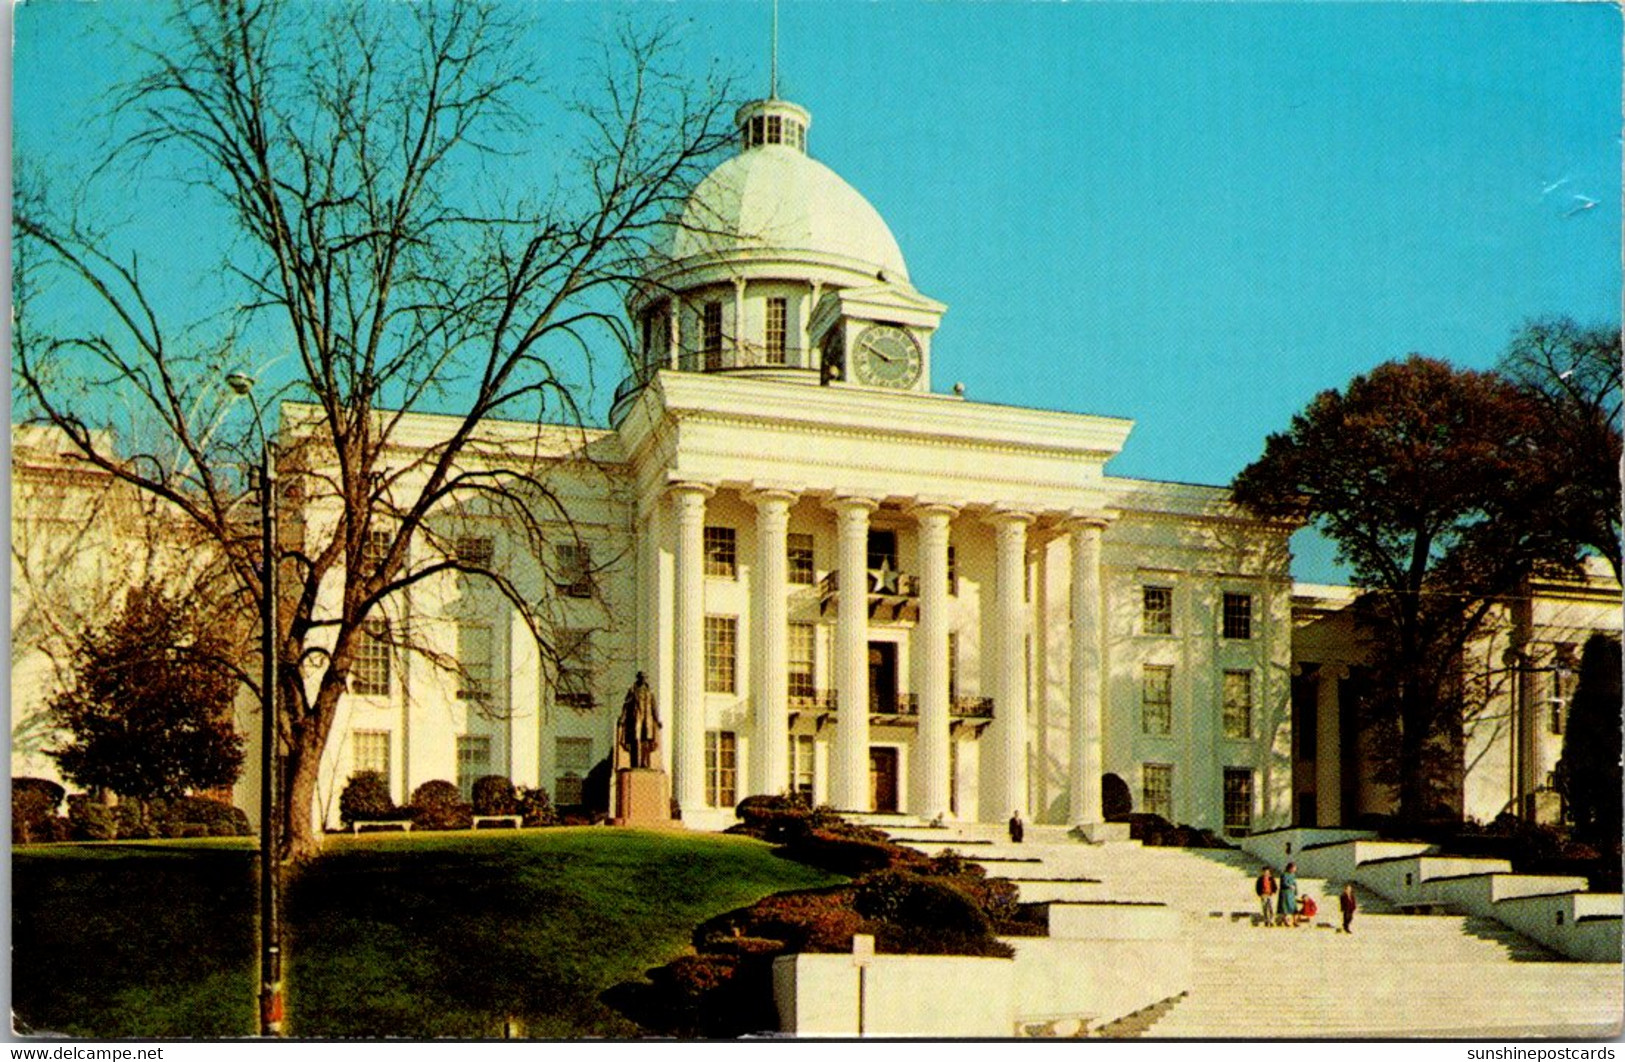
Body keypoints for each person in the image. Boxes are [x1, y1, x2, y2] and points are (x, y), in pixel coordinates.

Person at [1277, 862, 1298, 927]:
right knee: (1285, 908)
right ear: (1290, 868)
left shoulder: (1293, 875)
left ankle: (1295, 921)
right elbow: (1284, 883)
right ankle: (1285, 921)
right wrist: (1289, 886)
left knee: (1294, 908)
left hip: (1291, 893)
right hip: (1285, 893)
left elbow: (1294, 883)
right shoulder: (1284, 874)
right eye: (1294, 868)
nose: (1295, 870)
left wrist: (1296, 891)